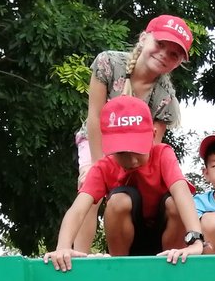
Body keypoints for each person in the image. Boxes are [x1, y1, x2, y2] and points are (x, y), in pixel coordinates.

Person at [48, 96, 205, 265]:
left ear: (153, 136)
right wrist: (63, 247)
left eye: (138, 150)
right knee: (118, 200)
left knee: (174, 202)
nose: (132, 161)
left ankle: (172, 272)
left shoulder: (162, 154)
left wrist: (195, 240)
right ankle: (120, 268)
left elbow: (181, 191)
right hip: (127, 244)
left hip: (167, 243)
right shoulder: (103, 167)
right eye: (122, 153)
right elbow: (78, 209)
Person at [76, 14, 191, 177]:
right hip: (95, 141)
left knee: (122, 198)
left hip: (132, 157)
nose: (164, 54)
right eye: (159, 44)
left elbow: (148, 149)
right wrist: (97, 167)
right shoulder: (108, 63)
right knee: (90, 183)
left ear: (179, 63)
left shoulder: (166, 99)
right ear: (144, 39)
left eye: (174, 54)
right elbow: (95, 117)